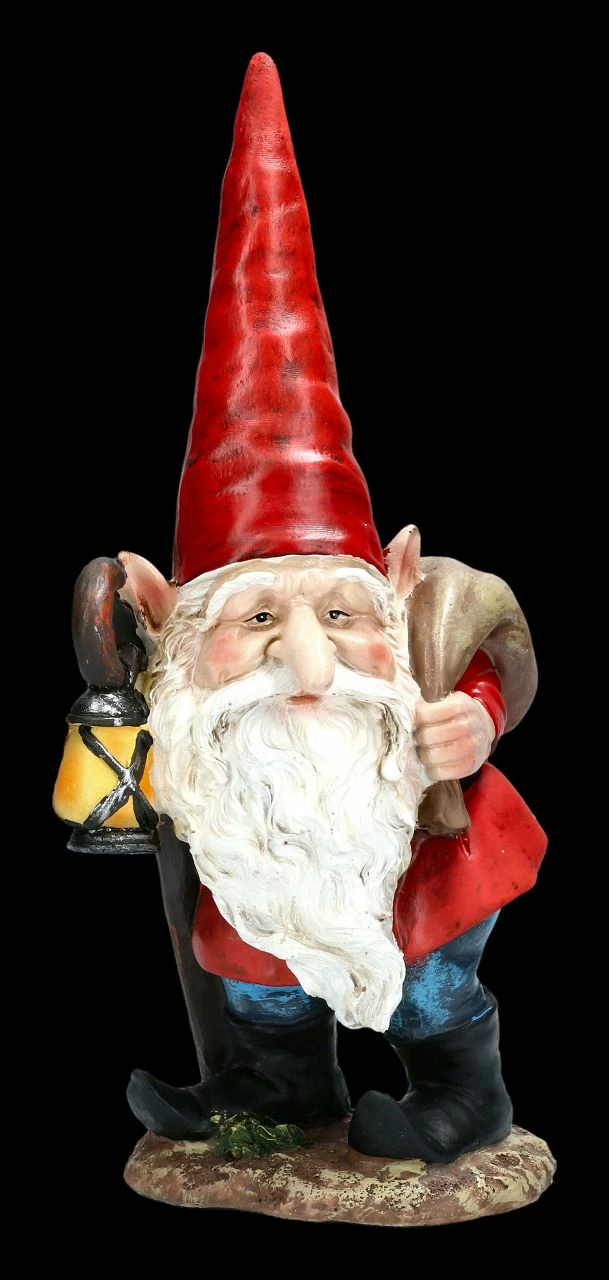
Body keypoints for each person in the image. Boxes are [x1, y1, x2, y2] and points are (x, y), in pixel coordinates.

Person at [59, 51, 547, 1164]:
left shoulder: (428, 625)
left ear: (395, 580)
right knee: (255, 967)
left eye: (337, 614)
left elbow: (495, 657)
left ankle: (459, 1090)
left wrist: (475, 719)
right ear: (168, 612)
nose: (309, 664)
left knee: (430, 977)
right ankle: (276, 1084)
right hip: (261, 866)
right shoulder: (187, 700)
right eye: (257, 621)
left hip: (422, 861)